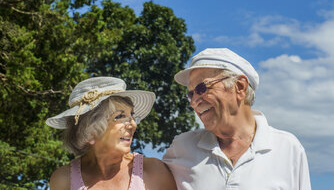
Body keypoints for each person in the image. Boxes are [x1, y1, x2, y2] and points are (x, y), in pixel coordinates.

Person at [163, 48, 311, 190]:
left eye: (201, 89)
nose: (193, 101)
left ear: (240, 87)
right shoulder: (181, 147)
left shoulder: (287, 148)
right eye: (191, 94)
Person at [46, 76, 176, 190]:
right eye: (120, 116)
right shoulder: (63, 179)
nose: (133, 125)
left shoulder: (153, 170)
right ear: (90, 128)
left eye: (131, 115)